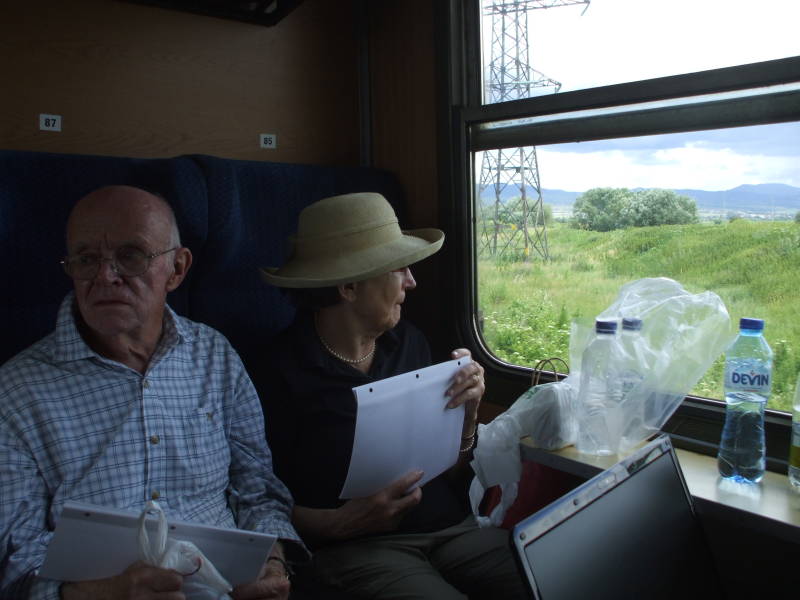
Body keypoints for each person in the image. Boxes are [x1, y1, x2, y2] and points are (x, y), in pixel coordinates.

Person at [0, 186, 305, 600]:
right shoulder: (15, 392)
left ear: (177, 269)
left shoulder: (215, 356)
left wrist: (271, 560)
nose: (106, 276)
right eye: (87, 259)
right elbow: (15, 555)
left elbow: (258, 489)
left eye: (130, 255)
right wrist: (102, 593)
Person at [255, 192, 527, 599]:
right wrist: (339, 524)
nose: (412, 282)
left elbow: (443, 469)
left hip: (450, 529)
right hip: (356, 549)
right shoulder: (277, 371)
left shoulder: (408, 344)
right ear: (349, 286)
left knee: (543, 580)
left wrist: (467, 418)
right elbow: (257, 495)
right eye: (399, 269)